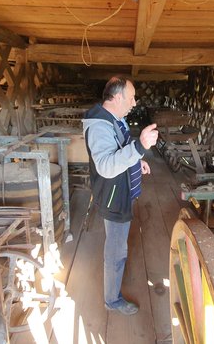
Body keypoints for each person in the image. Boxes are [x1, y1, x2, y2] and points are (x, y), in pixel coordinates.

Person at [82, 76, 159, 315]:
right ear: (116, 98)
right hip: (114, 198)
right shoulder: (99, 127)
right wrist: (140, 147)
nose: (135, 102)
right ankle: (111, 299)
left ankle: (112, 294)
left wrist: (138, 162)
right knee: (116, 251)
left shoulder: (116, 119)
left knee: (118, 245)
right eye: (132, 96)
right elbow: (106, 166)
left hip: (122, 191)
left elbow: (123, 147)